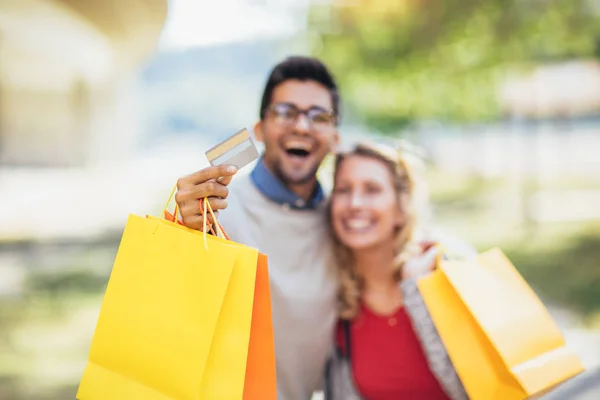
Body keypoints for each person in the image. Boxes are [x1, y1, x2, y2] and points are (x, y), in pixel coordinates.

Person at [175, 56, 341, 399]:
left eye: (318, 116)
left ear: (334, 137)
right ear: (261, 129)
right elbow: (177, 310)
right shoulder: (216, 210)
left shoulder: (345, 228)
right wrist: (184, 232)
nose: (302, 127)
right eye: (286, 112)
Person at [324, 141, 469, 400]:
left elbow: (475, 388)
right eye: (344, 190)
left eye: (372, 190)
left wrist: (415, 292)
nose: (355, 203)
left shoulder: (445, 266)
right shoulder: (339, 298)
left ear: (402, 208)